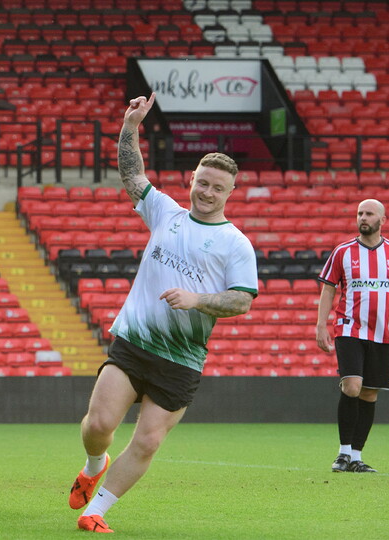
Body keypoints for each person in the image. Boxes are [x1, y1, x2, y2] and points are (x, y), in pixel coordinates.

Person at [71, 94, 258, 533]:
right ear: (192, 180)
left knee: (148, 441)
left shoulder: (236, 243)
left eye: (218, 188)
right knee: (99, 425)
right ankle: (94, 463)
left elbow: (242, 301)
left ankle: (95, 511)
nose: (208, 193)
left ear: (230, 193)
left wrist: (198, 300)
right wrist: (130, 126)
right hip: (135, 343)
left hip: (182, 359)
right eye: (203, 183)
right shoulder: (165, 213)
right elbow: (132, 174)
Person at [317, 199, 389, 474]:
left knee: (370, 393)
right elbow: (328, 288)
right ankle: (343, 453)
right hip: (349, 328)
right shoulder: (343, 251)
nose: (363, 217)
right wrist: (321, 325)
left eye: (369, 213)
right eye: (360, 213)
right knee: (352, 386)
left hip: (382, 332)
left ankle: (356, 457)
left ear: (382, 220)